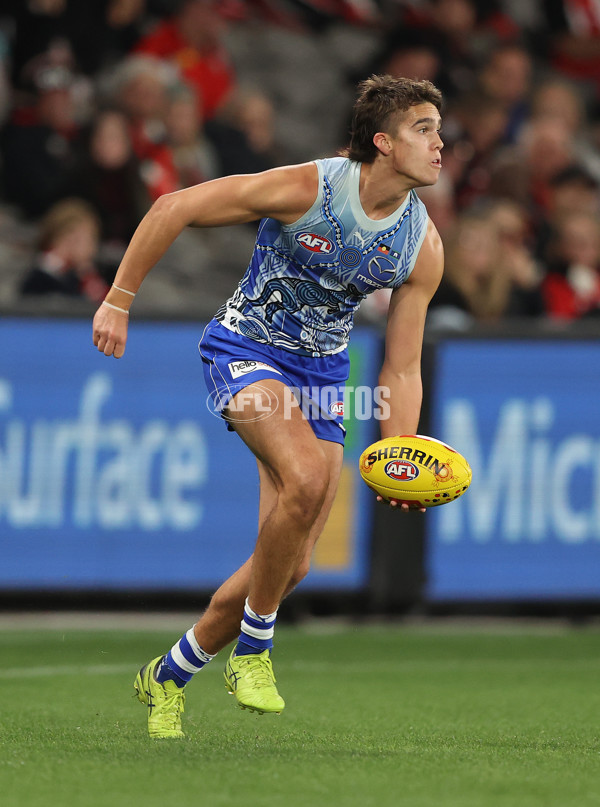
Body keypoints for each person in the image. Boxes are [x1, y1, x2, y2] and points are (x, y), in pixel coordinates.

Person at [91, 74, 445, 738]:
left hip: (321, 376)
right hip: (245, 347)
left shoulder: (421, 245)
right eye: (423, 129)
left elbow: (401, 363)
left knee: (291, 562)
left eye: (438, 129)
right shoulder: (310, 189)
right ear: (383, 142)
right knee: (308, 478)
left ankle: (167, 673)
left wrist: (401, 448)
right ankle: (254, 649)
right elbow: (174, 204)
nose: (440, 143)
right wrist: (119, 297)